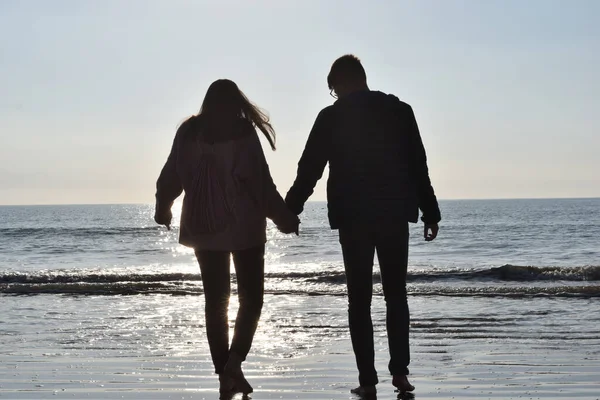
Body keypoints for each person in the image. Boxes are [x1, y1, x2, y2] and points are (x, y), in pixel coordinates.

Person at [285, 55, 441, 396]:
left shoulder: (332, 116)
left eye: (334, 90)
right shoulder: (400, 111)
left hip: (353, 216)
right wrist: (431, 212)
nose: (335, 95)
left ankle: (367, 381)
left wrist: (290, 209)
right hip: (394, 213)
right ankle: (400, 374)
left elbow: (310, 167)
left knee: (359, 299)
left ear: (339, 84)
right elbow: (418, 165)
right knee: (395, 295)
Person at [154, 79, 299, 396]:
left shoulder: (188, 132)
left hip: (202, 228)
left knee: (215, 303)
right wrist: (283, 217)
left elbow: (171, 175)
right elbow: (259, 184)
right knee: (251, 300)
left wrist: (163, 206)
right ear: (236, 103)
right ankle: (233, 365)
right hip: (244, 227)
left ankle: (224, 374)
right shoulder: (242, 132)